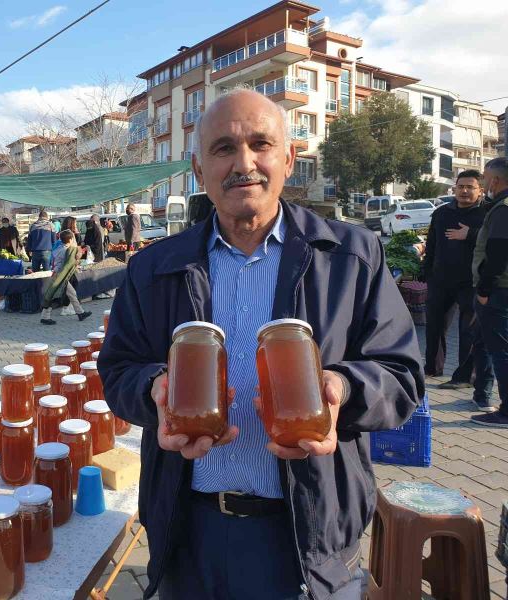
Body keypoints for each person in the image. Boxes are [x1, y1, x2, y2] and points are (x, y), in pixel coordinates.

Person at [97, 89, 423, 600]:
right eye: (223, 148)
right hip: (190, 530)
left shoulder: (350, 257)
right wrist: (154, 390)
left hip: (308, 531)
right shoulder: (153, 268)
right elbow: (117, 367)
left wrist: (341, 389)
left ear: (288, 158)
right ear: (199, 169)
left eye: (260, 144)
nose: (244, 163)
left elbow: (402, 374)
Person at [422, 170, 488, 386]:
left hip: (471, 281)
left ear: (481, 190)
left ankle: (465, 376)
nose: (465, 191)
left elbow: (496, 242)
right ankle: (432, 368)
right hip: (441, 279)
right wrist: (427, 271)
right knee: (434, 326)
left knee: (467, 330)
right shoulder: (442, 213)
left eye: (470, 187)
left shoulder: (488, 213)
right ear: (455, 188)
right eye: (461, 187)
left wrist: (470, 234)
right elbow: (432, 245)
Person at [471, 157, 508, 427]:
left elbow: (497, 254)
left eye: (484, 178)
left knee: (501, 352)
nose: (484, 183)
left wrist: (484, 289)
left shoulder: (502, 210)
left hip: (498, 292)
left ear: (495, 180)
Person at [39, 230, 92, 326]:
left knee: (69, 294)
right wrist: (79, 255)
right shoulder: (67, 250)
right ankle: (45, 317)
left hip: (57, 274)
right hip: (61, 276)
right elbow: (71, 261)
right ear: (71, 239)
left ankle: (80, 313)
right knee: (53, 296)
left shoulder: (58, 249)